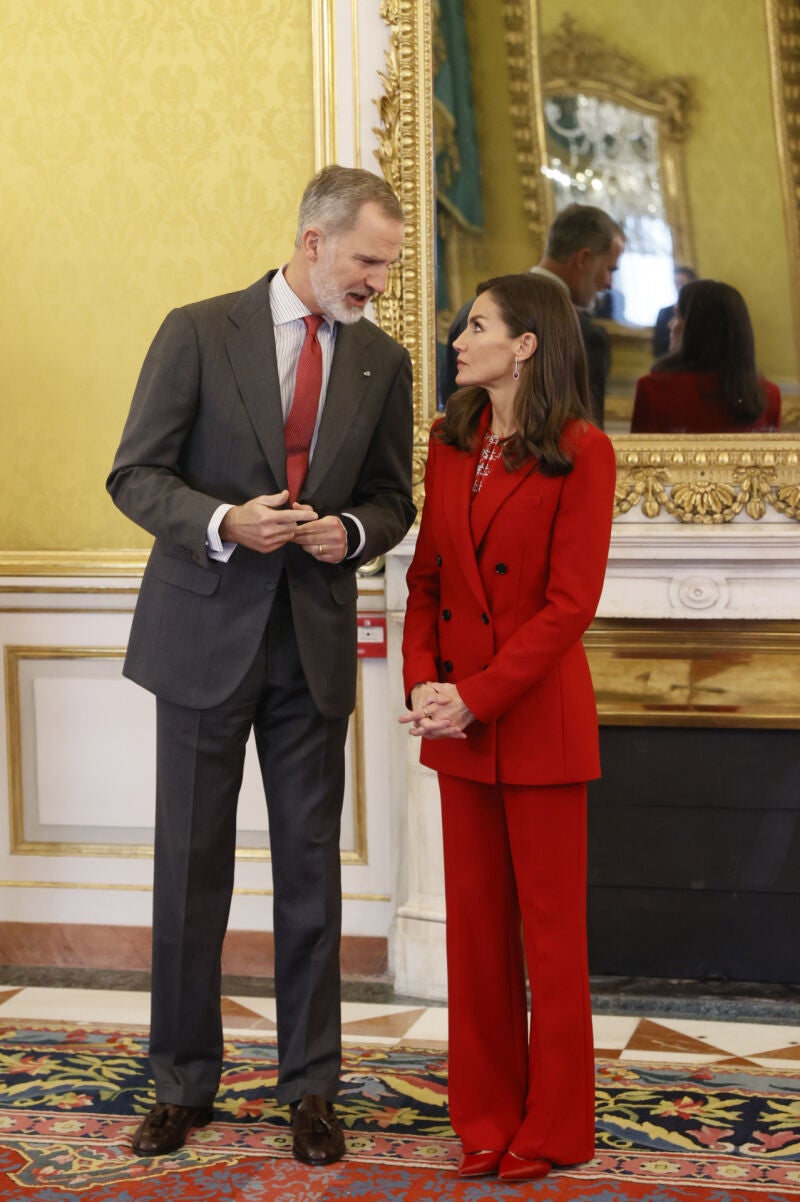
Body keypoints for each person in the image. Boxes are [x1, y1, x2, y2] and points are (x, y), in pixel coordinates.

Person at [107, 164, 415, 1164]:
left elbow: (390, 498)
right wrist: (221, 520)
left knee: (309, 875)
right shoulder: (197, 330)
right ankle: (182, 1081)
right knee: (189, 871)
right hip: (201, 636)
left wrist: (352, 534)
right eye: (368, 259)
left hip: (311, 645)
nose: (377, 281)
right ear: (315, 241)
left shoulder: (384, 360)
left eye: (387, 264)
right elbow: (135, 473)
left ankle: (311, 1088)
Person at [400, 273, 616, 1183]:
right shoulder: (450, 445)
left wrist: (476, 694)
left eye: (478, 325)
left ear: (527, 343)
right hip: (459, 729)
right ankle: (484, 1116)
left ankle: (557, 1125)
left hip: (535, 725)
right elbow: (427, 582)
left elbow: (570, 607)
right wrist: (425, 687)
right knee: (476, 938)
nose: (461, 338)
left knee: (552, 942)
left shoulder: (583, 450)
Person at [438, 203, 625, 424]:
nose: (609, 284)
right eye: (609, 269)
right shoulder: (582, 333)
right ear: (583, 259)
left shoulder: (471, 307)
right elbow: (583, 433)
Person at [632, 278, 781, 433]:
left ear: (695, 326)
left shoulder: (653, 388)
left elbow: (640, 455)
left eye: (677, 315)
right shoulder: (769, 394)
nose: (670, 324)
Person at [651, 265, 697, 358]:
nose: (678, 287)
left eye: (681, 283)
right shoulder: (664, 313)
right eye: (676, 283)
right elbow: (658, 345)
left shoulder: (699, 311)